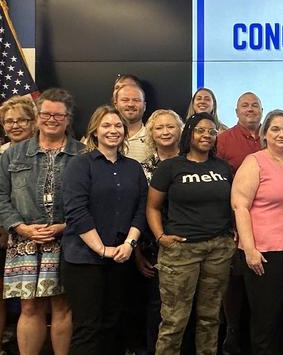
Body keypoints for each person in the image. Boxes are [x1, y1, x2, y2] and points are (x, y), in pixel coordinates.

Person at [0, 88, 83, 355]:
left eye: (58, 115)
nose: (51, 119)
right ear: (37, 116)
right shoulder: (12, 155)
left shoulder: (82, 155)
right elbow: (0, 195)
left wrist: (65, 227)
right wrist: (20, 226)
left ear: (68, 119)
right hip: (23, 239)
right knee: (29, 306)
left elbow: (90, 201)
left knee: (62, 305)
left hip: (66, 239)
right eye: (46, 113)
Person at [61, 105, 148, 355]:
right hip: (84, 260)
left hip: (121, 258)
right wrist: (102, 249)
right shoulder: (80, 165)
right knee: (88, 328)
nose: (113, 130)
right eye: (106, 125)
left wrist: (129, 245)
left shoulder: (133, 168)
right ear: (95, 131)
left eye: (118, 125)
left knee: (114, 325)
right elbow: (76, 212)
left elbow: (140, 210)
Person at [148, 112, 235, 355]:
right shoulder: (170, 167)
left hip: (218, 249)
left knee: (210, 317)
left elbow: (234, 205)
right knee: (174, 320)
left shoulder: (223, 168)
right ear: (189, 133)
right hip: (180, 251)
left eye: (211, 131)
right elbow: (152, 207)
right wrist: (160, 237)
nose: (206, 135)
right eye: (200, 130)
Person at [232, 110, 283, 355]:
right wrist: (249, 249)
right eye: (275, 129)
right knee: (266, 320)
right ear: (265, 134)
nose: (281, 134)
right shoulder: (254, 161)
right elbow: (240, 205)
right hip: (265, 254)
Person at [215, 91, 263, 354]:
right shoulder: (223, 141)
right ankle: (233, 333)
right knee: (234, 283)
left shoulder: (270, 138)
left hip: (267, 224)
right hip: (234, 224)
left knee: (260, 283)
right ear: (236, 112)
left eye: (255, 105)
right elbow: (218, 186)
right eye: (245, 105)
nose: (250, 109)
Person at [137, 109, 187, 354]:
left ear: (180, 131)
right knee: (158, 307)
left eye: (171, 127)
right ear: (151, 134)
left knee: (190, 307)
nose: (166, 132)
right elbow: (136, 212)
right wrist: (137, 254)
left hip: (191, 247)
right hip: (154, 249)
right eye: (159, 128)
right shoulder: (142, 169)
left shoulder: (193, 163)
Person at [0, 95, 37, 346]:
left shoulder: (45, 151)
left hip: (29, 236)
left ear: (33, 122)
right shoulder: (3, 154)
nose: (14, 125)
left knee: (32, 304)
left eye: (21, 120)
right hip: (7, 234)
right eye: (8, 121)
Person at [114, 84, 152, 162]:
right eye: (125, 100)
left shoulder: (154, 137)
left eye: (136, 100)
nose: (130, 104)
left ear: (144, 106)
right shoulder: (102, 137)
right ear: (116, 105)